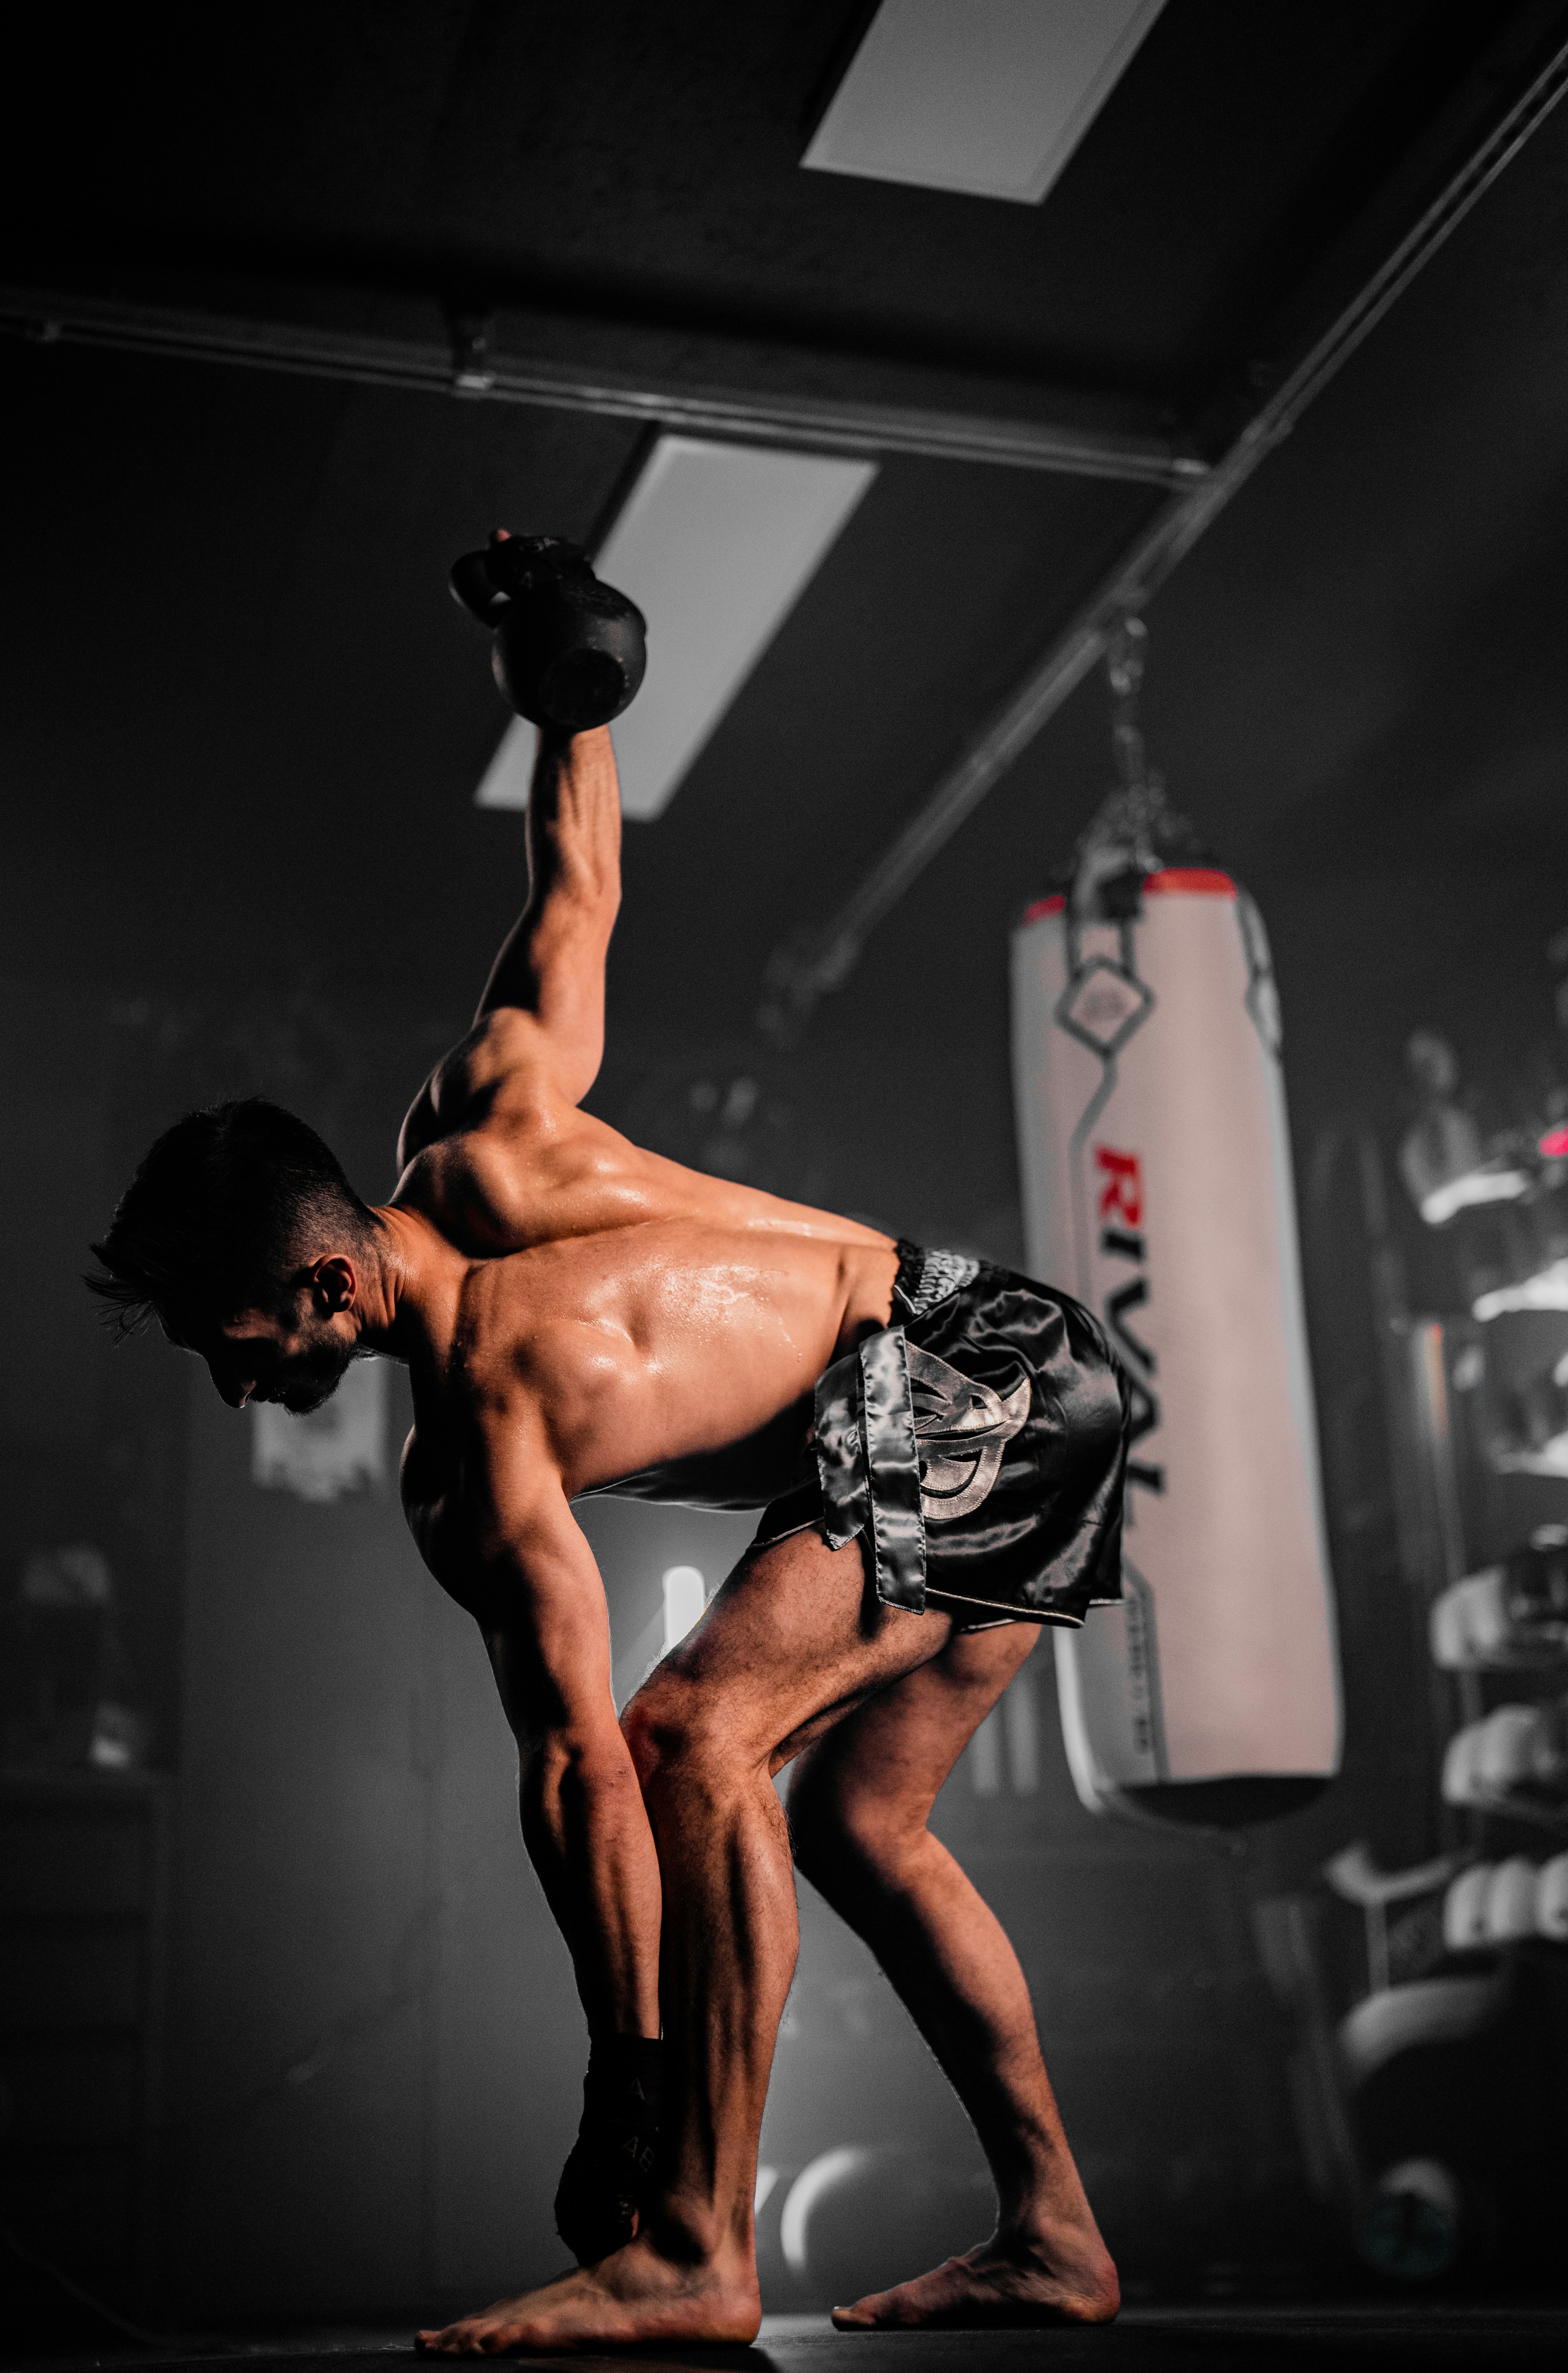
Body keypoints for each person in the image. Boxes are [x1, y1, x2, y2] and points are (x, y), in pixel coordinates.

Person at [88, 719, 1128, 2352]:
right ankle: (1056, 2231)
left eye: (233, 1343)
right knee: (862, 1823)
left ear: (326, 1286)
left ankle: (700, 2253)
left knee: (696, 1729)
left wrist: (625, 2085)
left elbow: (596, 1765)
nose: (232, 1389)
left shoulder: (481, 1447)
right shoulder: (493, 1126)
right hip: (1008, 1352)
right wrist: (572, 685)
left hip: (960, 1374)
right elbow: (577, 891)